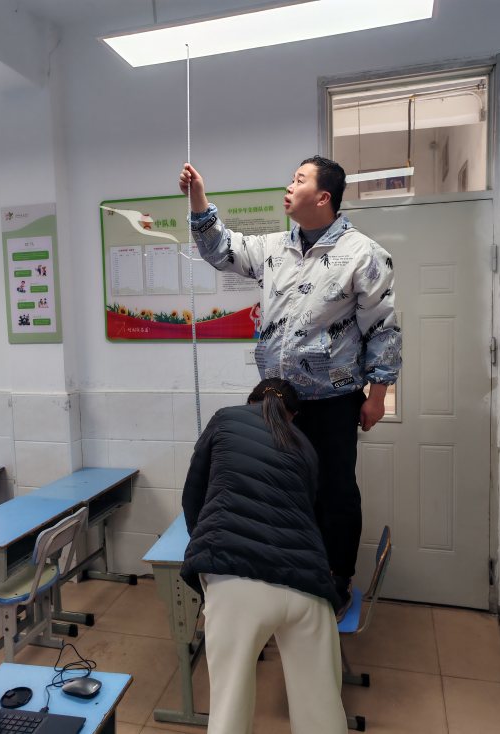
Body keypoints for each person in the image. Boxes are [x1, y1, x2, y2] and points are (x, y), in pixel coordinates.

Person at [179, 157, 402, 615]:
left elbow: (384, 329)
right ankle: (287, 573)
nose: (289, 186)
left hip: (333, 400)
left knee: (334, 491)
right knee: (280, 489)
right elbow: (220, 249)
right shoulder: (274, 248)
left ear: (323, 197)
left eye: (299, 180)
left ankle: (335, 580)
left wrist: (378, 394)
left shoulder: (363, 254)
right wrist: (198, 198)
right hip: (277, 401)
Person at [181, 378, 347, 734]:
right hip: (309, 587)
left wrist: (208, 545)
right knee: (322, 712)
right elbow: (312, 514)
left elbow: (193, 495)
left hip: (237, 582)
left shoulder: (226, 418)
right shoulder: (304, 445)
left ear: (251, 401)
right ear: (294, 415)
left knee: (230, 712)